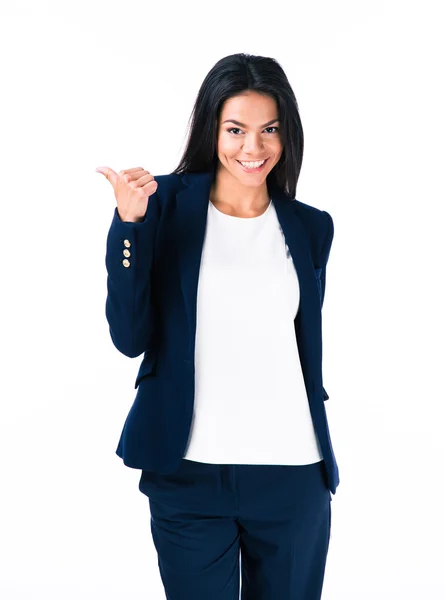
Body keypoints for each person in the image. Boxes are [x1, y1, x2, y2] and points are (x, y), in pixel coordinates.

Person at [97, 52, 339, 600]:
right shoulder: (160, 204)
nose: (252, 148)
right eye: (236, 130)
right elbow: (128, 337)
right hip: (188, 471)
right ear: (213, 129)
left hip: (292, 472)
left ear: (286, 135)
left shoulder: (310, 228)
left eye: (268, 130)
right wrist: (129, 225)